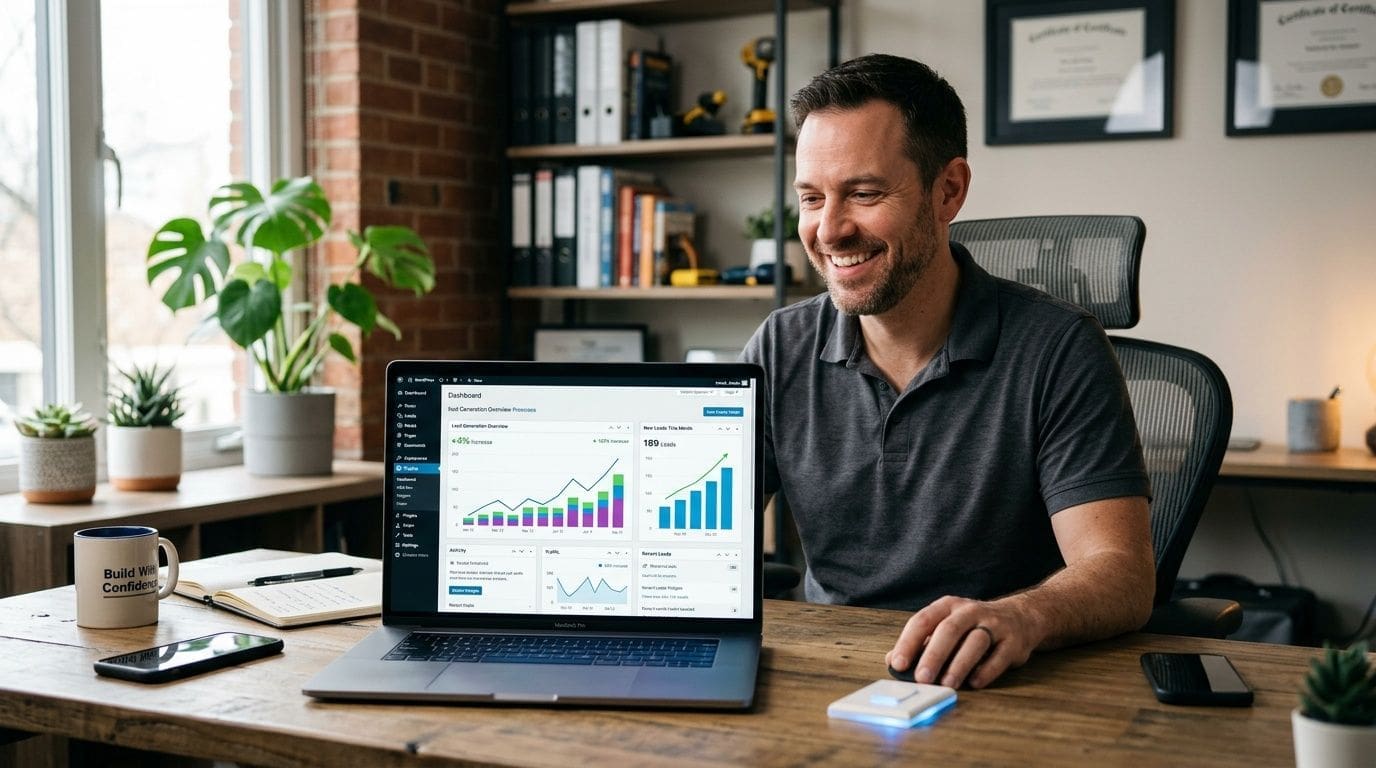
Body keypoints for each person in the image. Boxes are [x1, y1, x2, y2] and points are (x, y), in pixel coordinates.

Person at [740, 54, 1155, 690]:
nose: (829, 231)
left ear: (949, 191)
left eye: (864, 193)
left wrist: (1023, 615)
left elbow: (1122, 573)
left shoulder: (1058, 348)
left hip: (997, 679)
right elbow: (694, 535)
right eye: (812, 198)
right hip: (829, 674)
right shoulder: (781, 345)